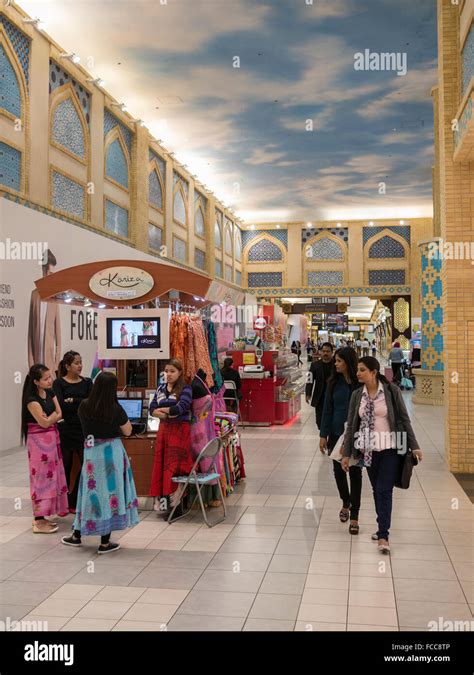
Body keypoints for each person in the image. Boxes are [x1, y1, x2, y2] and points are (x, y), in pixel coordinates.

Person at [341, 357, 423, 554]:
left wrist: (414, 446)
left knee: (384, 490)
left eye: (362, 370)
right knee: (377, 490)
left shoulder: (390, 392)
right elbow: (351, 424)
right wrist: (346, 453)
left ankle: (384, 535)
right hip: (367, 451)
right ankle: (381, 527)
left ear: (373, 372)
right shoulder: (356, 396)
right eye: (358, 370)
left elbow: (404, 419)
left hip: (390, 449)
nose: (358, 373)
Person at [62, 372, 139, 553]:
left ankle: (77, 535)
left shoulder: (84, 406)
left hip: (91, 453)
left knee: (89, 491)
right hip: (111, 453)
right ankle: (105, 543)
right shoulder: (115, 409)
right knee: (111, 495)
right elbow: (127, 431)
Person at [21, 364, 69, 534]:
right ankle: (38, 520)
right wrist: (52, 418)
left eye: (50, 377)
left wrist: (52, 418)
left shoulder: (49, 393)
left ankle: (44, 515)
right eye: (46, 378)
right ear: (36, 382)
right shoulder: (31, 400)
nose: (50, 381)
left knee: (53, 477)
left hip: (52, 440)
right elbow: (44, 422)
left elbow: (59, 412)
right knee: (41, 478)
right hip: (38, 443)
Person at [319, 348, 362, 534]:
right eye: (335, 361)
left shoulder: (360, 384)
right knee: (338, 471)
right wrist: (323, 434)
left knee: (355, 473)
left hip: (356, 435)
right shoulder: (333, 383)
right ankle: (346, 501)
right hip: (336, 434)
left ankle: (354, 516)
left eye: (339, 361)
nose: (335, 364)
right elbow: (327, 409)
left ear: (348, 362)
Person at [149, 359, 194, 518]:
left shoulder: (186, 388)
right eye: (166, 371)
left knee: (175, 468)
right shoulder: (160, 388)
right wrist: (168, 412)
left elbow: (181, 407)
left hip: (180, 433)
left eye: (172, 371)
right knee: (162, 467)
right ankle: (163, 507)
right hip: (163, 432)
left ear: (180, 372)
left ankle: (177, 506)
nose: (168, 374)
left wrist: (163, 411)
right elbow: (151, 409)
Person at [53, 351, 93, 513]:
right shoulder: (59, 384)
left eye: (81, 362)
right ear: (67, 366)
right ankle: (63, 502)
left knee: (86, 466)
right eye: (76, 363)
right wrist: (79, 404)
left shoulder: (88, 382)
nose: (80, 365)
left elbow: (91, 404)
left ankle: (75, 498)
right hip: (66, 430)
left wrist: (74, 400)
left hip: (84, 429)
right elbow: (61, 407)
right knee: (66, 467)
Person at [28, 249, 61, 375]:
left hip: (50, 364)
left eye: (53, 273)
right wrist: (31, 363)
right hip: (36, 363)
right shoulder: (34, 295)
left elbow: (58, 334)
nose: (51, 276)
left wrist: (56, 364)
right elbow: (30, 333)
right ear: (43, 270)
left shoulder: (56, 297)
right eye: (49, 273)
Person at [306, 342, 334, 429]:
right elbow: (309, 380)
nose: (325, 353)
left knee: (332, 420)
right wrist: (308, 393)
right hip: (320, 397)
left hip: (333, 396)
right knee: (319, 421)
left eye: (328, 351)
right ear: (321, 352)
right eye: (324, 351)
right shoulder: (315, 365)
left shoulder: (336, 365)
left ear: (332, 352)